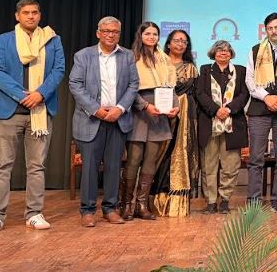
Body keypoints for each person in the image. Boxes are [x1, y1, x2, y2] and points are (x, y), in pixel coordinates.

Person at [0, 0, 65, 233]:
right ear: (17, 16)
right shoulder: (4, 40)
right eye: (26, 12)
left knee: (37, 166)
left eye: (35, 12)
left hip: (40, 110)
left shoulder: (52, 39)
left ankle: (34, 213)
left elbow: (58, 70)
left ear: (40, 15)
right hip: (9, 111)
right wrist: (22, 95)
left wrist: (40, 94)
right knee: (2, 165)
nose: (31, 16)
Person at [69, 16, 139, 227]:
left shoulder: (127, 56)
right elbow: (75, 84)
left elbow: (133, 85)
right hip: (91, 119)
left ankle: (110, 208)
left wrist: (120, 108)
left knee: (113, 166)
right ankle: (87, 210)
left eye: (115, 32)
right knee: (90, 167)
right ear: (98, 33)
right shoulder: (83, 55)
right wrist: (96, 110)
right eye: (106, 31)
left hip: (118, 119)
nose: (111, 35)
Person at [121, 22, 179, 221]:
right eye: (147, 33)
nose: (151, 37)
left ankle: (142, 205)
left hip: (160, 113)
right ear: (140, 35)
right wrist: (145, 106)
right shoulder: (131, 57)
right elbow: (128, 88)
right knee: (133, 159)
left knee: (150, 161)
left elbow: (171, 87)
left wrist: (175, 106)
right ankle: (126, 204)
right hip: (139, 111)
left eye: (155, 34)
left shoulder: (164, 59)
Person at [245, 12, 277, 214]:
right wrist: (267, 97)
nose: (274, 31)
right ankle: (254, 201)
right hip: (260, 109)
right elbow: (250, 80)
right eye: (270, 28)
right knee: (256, 159)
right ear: (265, 30)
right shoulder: (255, 50)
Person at [195, 40, 249, 214]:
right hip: (209, 123)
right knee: (208, 166)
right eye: (219, 50)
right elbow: (200, 93)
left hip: (233, 124)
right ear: (214, 53)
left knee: (231, 166)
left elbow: (244, 94)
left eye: (226, 50)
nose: (223, 53)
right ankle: (211, 202)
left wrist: (229, 109)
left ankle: (225, 200)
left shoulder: (240, 71)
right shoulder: (205, 70)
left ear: (231, 53)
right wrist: (216, 110)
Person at [151, 29, 200, 217]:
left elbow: (191, 93)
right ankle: (154, 201)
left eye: (184, 42)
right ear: (169, 43)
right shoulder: (158, 63)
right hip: (158, 115)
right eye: (177, 40)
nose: (180, 44)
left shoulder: (191, 68)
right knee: (158, 156)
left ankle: (176, 205)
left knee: (179, 155)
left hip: (184, 118)